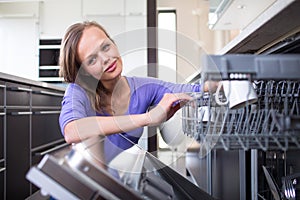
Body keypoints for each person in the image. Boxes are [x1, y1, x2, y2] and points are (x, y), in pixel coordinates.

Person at [58, 21, 217, 151]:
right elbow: (72, 131)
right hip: (87, 179)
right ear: (84, 72)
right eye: (92, 59)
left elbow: (189, 90)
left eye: (106, 47)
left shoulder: (143, 88)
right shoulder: (77, 92)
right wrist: (148, 118)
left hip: (120, 177)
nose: (106, 58)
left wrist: (219, 85)